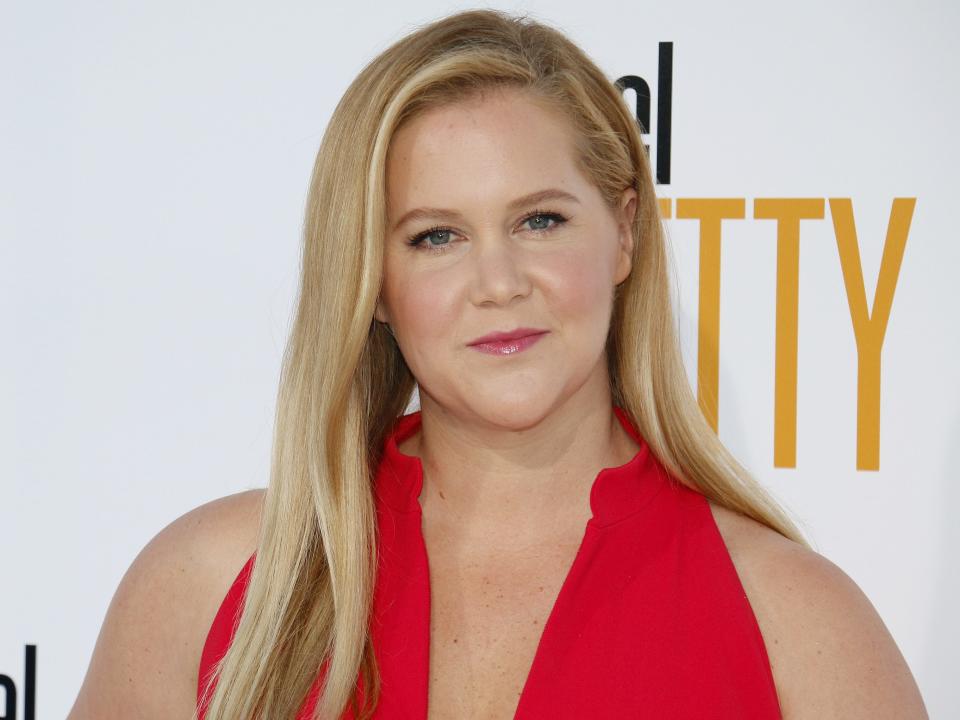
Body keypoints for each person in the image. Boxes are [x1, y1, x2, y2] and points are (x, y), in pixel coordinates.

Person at [68, 8, 928, 720]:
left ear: (624, 232)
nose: (499, 283)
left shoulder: (798, 627)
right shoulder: (211, 587)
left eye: (540, 221)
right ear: (371, 280)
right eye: (436, 236)